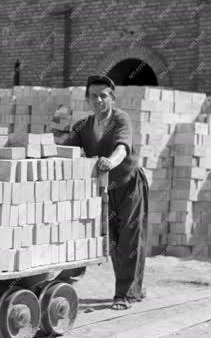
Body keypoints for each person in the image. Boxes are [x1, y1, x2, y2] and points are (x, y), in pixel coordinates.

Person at [64, 75, 149, 310]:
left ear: (112, 98)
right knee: (111, 241)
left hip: (129, 185)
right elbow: (66, 151)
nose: (98, 100)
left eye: (103, 95)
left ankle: (126, 294)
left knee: (129, 240)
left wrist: (111, 162)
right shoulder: (82, 126)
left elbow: (122, 148)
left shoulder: (121, 119)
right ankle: (134, 288)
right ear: (87, 99)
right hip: (103, 190)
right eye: (93, 96)